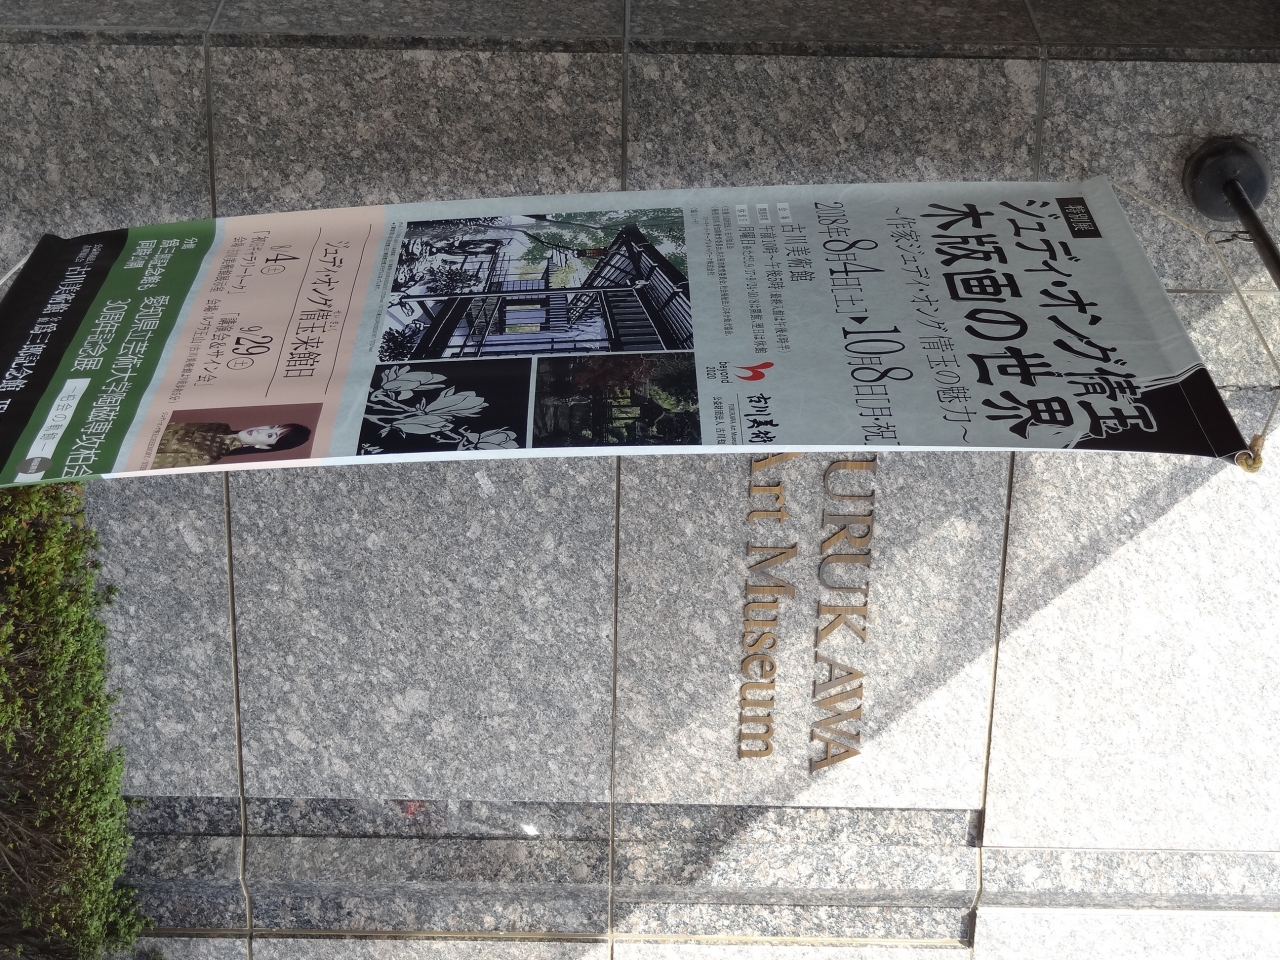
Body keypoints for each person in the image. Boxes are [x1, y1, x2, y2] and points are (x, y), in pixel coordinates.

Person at [151, 420, 312, 469]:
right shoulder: (220, 426)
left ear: (264, 447)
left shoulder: (208, 456)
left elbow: (155, 461)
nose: (260, 430)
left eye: (270, 435)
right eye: (272, 427)